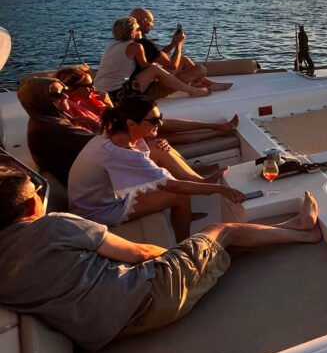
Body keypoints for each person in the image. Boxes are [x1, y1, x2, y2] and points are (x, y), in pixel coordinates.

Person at [0, 167, 322, 351]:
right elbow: (138, 253)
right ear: (31, 206)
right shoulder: (55, 225)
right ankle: (304, 230)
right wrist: (176, 255)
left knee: (206, 248)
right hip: (150, 298)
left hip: (106, 332)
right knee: (219, 230)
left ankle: (289, 227)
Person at [68, 97, 242, 239]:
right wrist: (220, 189)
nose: (159, 123)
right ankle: (185, 249)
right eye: (153, 121)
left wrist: (156, 144)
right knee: (180, 197)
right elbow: (172, 186)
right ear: (130, 123)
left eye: (160, 118)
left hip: (91, 200)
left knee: (158, 150)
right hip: (98, 211)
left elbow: (140, 154)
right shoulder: (123, 153)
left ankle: (185, 213)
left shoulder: (112, 133)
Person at [19, 77, 221, 190]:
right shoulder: (53, 126)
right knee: (157, 147)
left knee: (155, 141)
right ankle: (197, 181)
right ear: (40, 99)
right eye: (56, 93)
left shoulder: (48, 118)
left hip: (84, 165)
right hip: (87, 178)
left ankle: (193, 176)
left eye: (63, 89)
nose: (64, 94)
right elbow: (103, 144)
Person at [54, 64, 239, 146]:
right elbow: (95, 132)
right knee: (160, 139)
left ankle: (218, 126)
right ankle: (218, 132)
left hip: (122, 125)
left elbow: (110, 115)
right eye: (88, 85)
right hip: (117, 138)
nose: (93, 87)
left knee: (161, 122)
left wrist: (107, 103)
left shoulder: (89, 98)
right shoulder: (70, 109)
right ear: (72, 88)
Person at [94, 16, 209, 100]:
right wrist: (178, 44)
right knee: (154, 69)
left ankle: (197, 86)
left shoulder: (111, 46)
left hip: (101, 91)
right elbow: (146, 67)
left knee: (155, 68)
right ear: (133, 34)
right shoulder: (136, 46)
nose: (141, 32)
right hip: (118, 94)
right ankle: (193, 90)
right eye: (138, 29)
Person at [130, 8, 232, 94]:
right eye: (151, 21)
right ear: (143, 21)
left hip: (142, 80)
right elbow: (172, 65)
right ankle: (197, 87)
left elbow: (156, 56)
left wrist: (172, 44)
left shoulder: (132, 38)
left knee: (182, 59)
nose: (152, 25)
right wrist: (179, 44)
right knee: (200, 70)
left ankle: (207, 83)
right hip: (149, 89)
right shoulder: (143, 43)